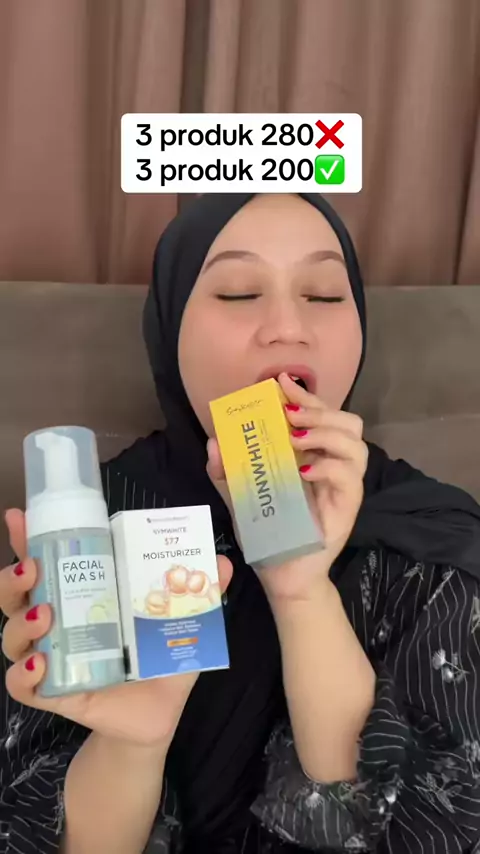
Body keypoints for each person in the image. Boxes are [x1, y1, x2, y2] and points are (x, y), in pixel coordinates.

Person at [1, 193, 480, 854]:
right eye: (237, 293)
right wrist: (131, 744)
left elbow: (437, 829)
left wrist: (300, 590)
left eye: (323, 295)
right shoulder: (86, 526)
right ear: (170, 329)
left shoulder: (434, 531)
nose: (288, 327)